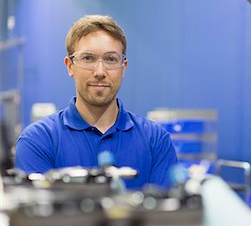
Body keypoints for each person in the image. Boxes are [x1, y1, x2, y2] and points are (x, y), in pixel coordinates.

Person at [15, 15, 178, 189]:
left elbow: (166, 213)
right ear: (70, 66)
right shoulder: (38, 141)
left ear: (123, 67)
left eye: (111, 59)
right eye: (88, 58)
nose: (100, 72)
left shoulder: (156, 141)